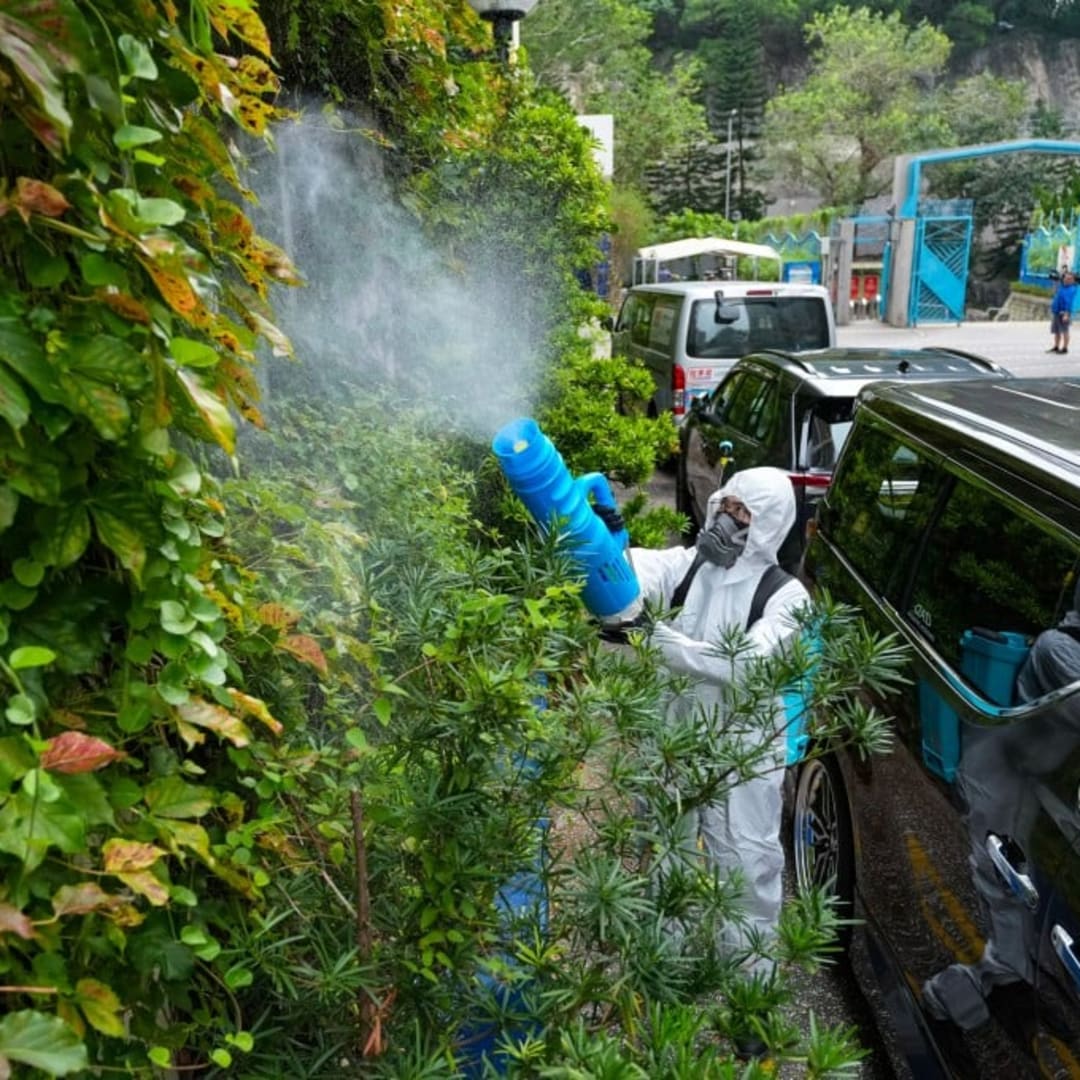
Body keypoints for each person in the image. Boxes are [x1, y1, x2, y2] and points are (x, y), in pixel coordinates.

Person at [603, 467, 809, 975]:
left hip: (741, 757)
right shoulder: (688, 567)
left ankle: (750, 993)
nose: (727, 520)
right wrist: (606, 546)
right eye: (726, 506)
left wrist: (653, 638)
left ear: (769, 526)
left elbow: (746, 664)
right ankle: (662, 966)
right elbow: (632, 578)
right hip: (673, 742)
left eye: (744, 514)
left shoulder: (786, 597)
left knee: (746, 869)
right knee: (664, 853)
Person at [922, 578, 1080, 1030]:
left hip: (1032, 781)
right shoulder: (1059, 648)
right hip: (997, 772)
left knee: (1014, 884)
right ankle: (956, 1002)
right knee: (998, 882)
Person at [1049, 270, 1078, 354]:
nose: (1066, 280)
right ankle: (1056, 346)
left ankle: (1065, 348)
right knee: (1056, 331)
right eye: (1065, 278)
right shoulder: (1062, 287)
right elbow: (1055, 292)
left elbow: (1069, 303)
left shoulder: (1072, 290)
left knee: (1065, 331)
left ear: (1073, 280)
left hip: (1064, 313)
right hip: (1056, 312)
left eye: (1069, 279)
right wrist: (1055, 280)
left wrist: (1067, 314)